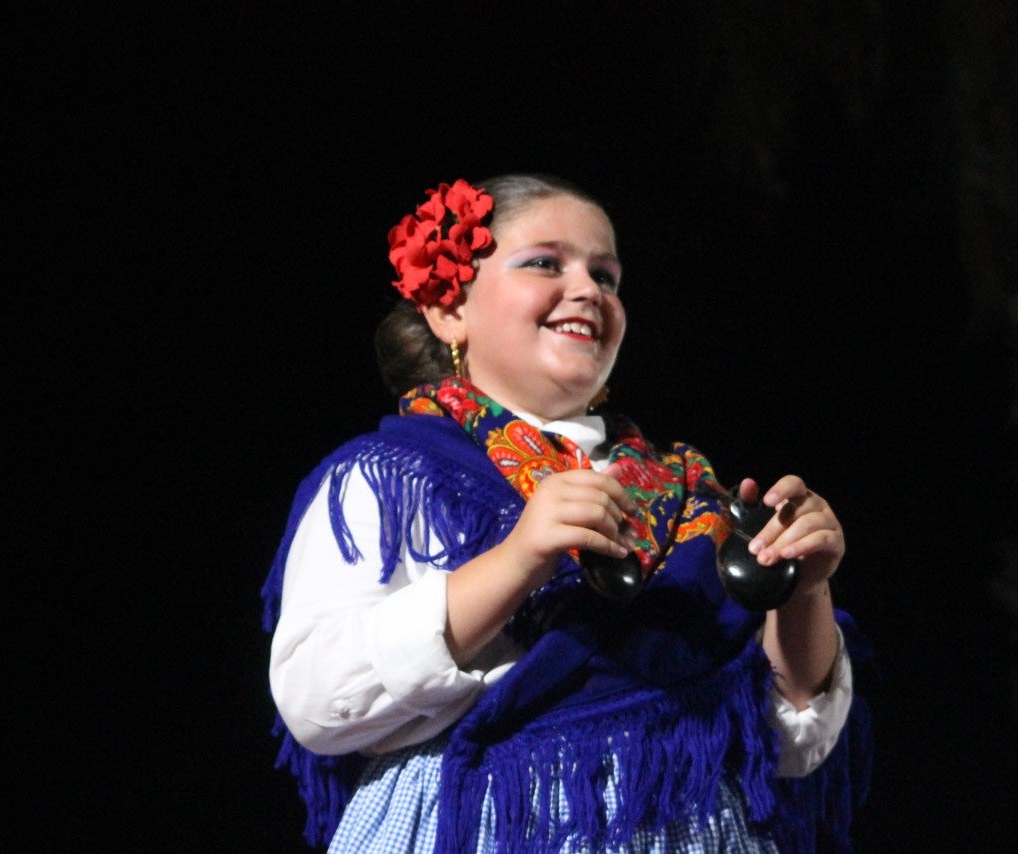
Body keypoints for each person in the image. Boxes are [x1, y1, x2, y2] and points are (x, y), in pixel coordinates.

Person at [262, 175, 870, 852]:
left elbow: (786, 746)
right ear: (447, 309)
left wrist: (805, 592)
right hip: (480, 823)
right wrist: (519, 558)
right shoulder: (392, 475)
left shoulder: (690, 493)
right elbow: (317, 700)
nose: (588, 290)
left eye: (606, 276)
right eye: (544, 263)